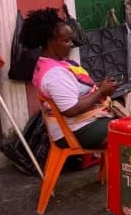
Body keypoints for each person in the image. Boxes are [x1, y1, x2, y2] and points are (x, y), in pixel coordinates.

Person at [21, 8, 119, 149]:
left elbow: (72, 88)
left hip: (79, 124)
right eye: (67, 41)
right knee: (130, 133)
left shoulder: (49, 62)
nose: (72, 44)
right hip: (74, 131)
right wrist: (101, 92)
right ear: (51, 42)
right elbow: (71, 110)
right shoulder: (54, 74)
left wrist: (100, 86)